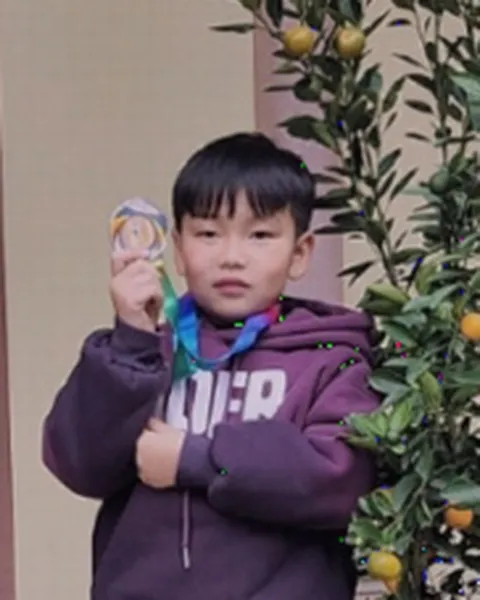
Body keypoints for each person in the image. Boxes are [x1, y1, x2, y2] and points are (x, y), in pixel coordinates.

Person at [42, 132, 379, 600]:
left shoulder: (329, 357)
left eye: (260, 235)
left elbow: (340, 480)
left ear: (299, 253)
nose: (231, 257)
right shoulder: (146, 351)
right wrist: (131, 338)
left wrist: (194, 460)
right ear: (178, 250)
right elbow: (79, 466)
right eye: (208, 234)